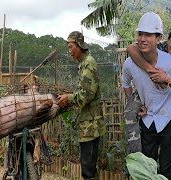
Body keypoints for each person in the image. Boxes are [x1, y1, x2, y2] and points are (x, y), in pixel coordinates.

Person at [122, 12, 171, 180]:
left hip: (167, 120)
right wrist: (135, 104)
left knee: (166, 168)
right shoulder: (129, 64)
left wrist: (167, 80)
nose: (142, 38)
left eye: (148, 34)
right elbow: (126, 84)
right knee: (148, 168)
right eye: (140, 34)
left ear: (159, 38)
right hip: (147, 120)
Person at [57, 31, 106, 180]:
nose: (70, 51)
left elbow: (87, 95)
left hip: (91, 126)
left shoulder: (89, 63)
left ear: (79, 46)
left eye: (71, 47)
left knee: (88, 169)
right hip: (87, 124)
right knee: (89, 167)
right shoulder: (82, 64)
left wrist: (69, 98)